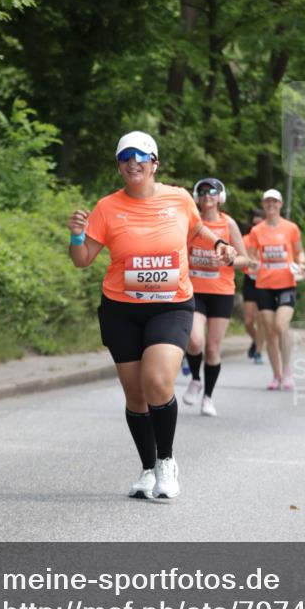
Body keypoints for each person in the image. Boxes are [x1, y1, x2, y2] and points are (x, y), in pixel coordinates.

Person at [67, 131, 234, 501]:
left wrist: (220, 244)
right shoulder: (107, 208)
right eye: (125, 158)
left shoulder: (178, 199)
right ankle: (146, 469)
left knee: (158, 382)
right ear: (119, 166)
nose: (133, 163)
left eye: (140, 157)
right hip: (121, 310)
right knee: (136, 396)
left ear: (155, 163)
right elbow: (82, 261)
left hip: (170, 305)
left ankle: (166, 462)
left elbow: (198, 229)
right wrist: (78, 236)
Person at [183, 178, 249, 416]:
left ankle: (208, 397)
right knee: (195, 341)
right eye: (202, 191)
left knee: (212, 349)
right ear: (196, 197)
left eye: (212, 191)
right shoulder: (191, 223)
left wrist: (229, 259)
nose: (207, 195)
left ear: (220, 197)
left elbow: (245, 259)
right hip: (195, 290)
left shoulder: (227, 224)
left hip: (221, 292)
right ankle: (195, 379)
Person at [246, 189, 305, 391]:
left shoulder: (291, 228)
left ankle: (287, 370)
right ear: (264, 205)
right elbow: (251, 256)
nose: (271, 204)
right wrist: (252, 263)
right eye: (267, 202)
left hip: (286, 284)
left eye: (275, 201)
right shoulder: (257, 231)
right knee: (270, 332)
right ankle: (276, 374)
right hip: (263, 285)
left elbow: (300, 253)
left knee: (281, 326)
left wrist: (302, 264)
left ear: (280, 204)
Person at [242, 208, 266, 364]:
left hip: (265, 281)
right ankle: (256, 340)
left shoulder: (270, 238)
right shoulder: (245, 239)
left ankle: (258, 352)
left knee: (261, 318)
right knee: (248, 321)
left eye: (259, 224)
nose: (255, 228)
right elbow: (241, 258)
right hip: (250, 280)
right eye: (253, 224)